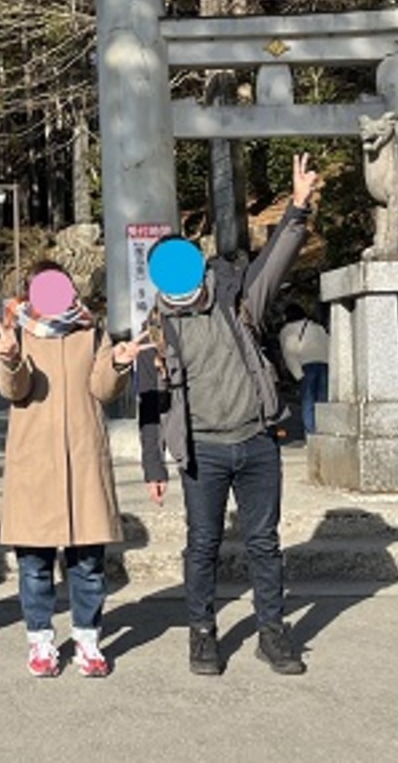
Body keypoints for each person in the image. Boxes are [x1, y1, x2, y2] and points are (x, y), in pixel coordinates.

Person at [133, 153, 324, 678]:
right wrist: (154, 465)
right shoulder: (155, 332)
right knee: (203, 546)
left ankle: (272, 632)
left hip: (257, 440)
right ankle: (202, 635)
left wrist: (298, 207)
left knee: (264, 542)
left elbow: (274, 263)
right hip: (204, 452)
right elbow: (148, 403)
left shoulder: (235, 300)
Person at [0, 261, 134, 678]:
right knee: (34, 564)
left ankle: (88, 641)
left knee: (88, 563)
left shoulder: (91, 329)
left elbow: (101, 389)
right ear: (31, 293)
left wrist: (119, 363)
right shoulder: (18, 330)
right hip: (35, 461)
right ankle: (41, 643)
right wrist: (11, 359)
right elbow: (13, 390)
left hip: (83, 457)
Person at [279, 302, 331, 436]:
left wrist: (297, 374)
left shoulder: (288, 330)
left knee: (308, 401)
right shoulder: (317, 327)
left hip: (306, 366)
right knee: (322, 401)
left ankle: (311, 432)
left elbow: (289, 353)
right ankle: (324, 430)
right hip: (324, 364)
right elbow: (329, 344)